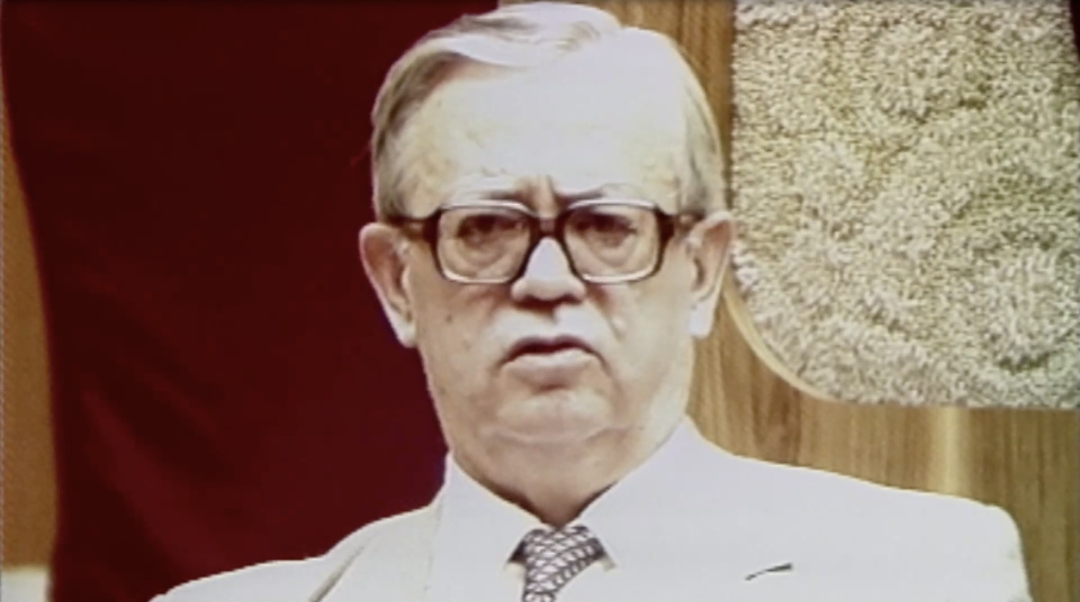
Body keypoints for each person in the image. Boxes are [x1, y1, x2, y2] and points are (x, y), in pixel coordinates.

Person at [152, 3, 1030, 601]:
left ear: (701, 270)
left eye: (607, 224)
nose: (545, 280)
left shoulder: (921, 574)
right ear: (396, 282)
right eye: (484, 228)